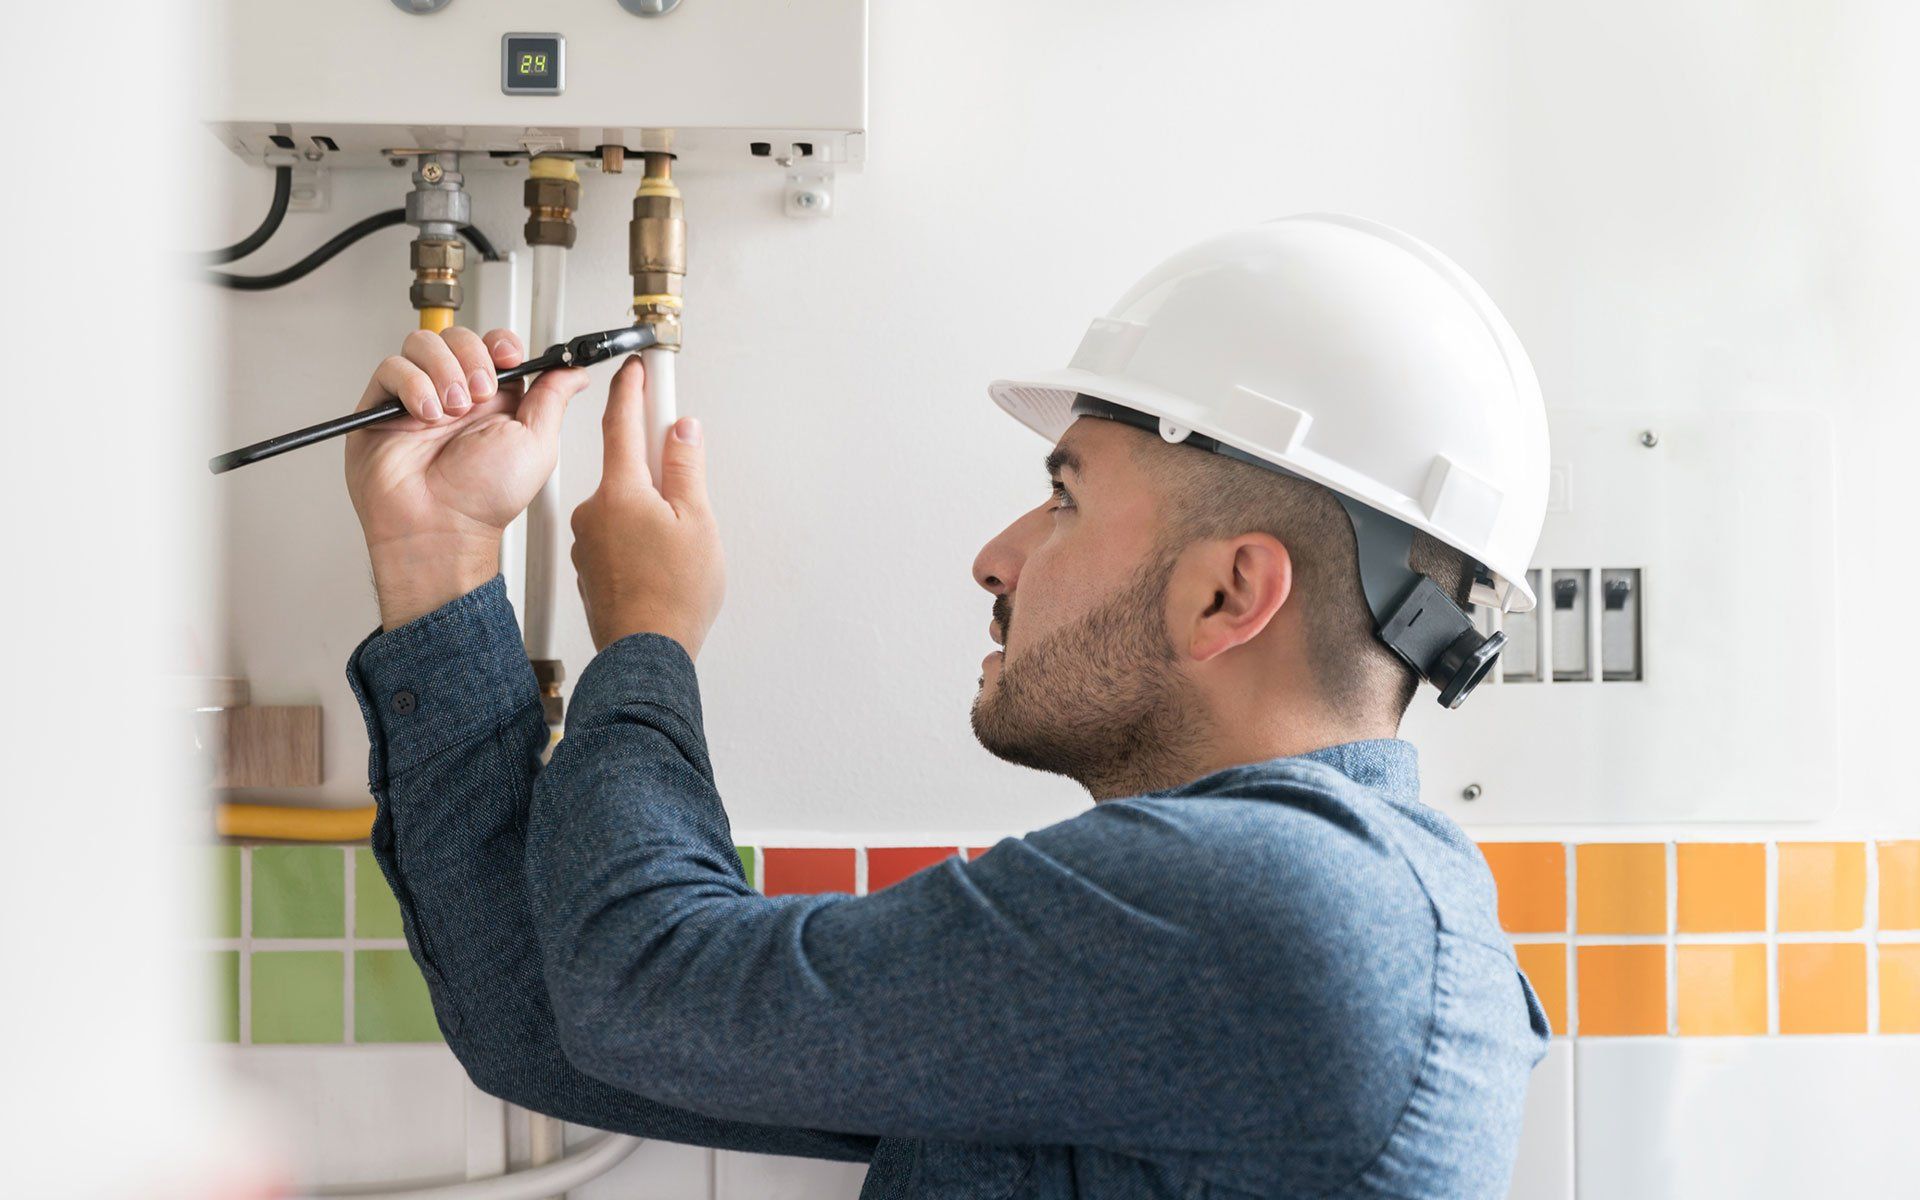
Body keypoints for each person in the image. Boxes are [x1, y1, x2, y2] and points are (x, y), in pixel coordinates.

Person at [342, 216, 1552, 1199]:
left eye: (1064, 499)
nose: (997, 557)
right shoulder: (1262, 928)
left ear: (1231, 591)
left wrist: (648, 635)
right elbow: (553, 1020)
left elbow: (644, 990)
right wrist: (438, 558)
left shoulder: (1284, 905)